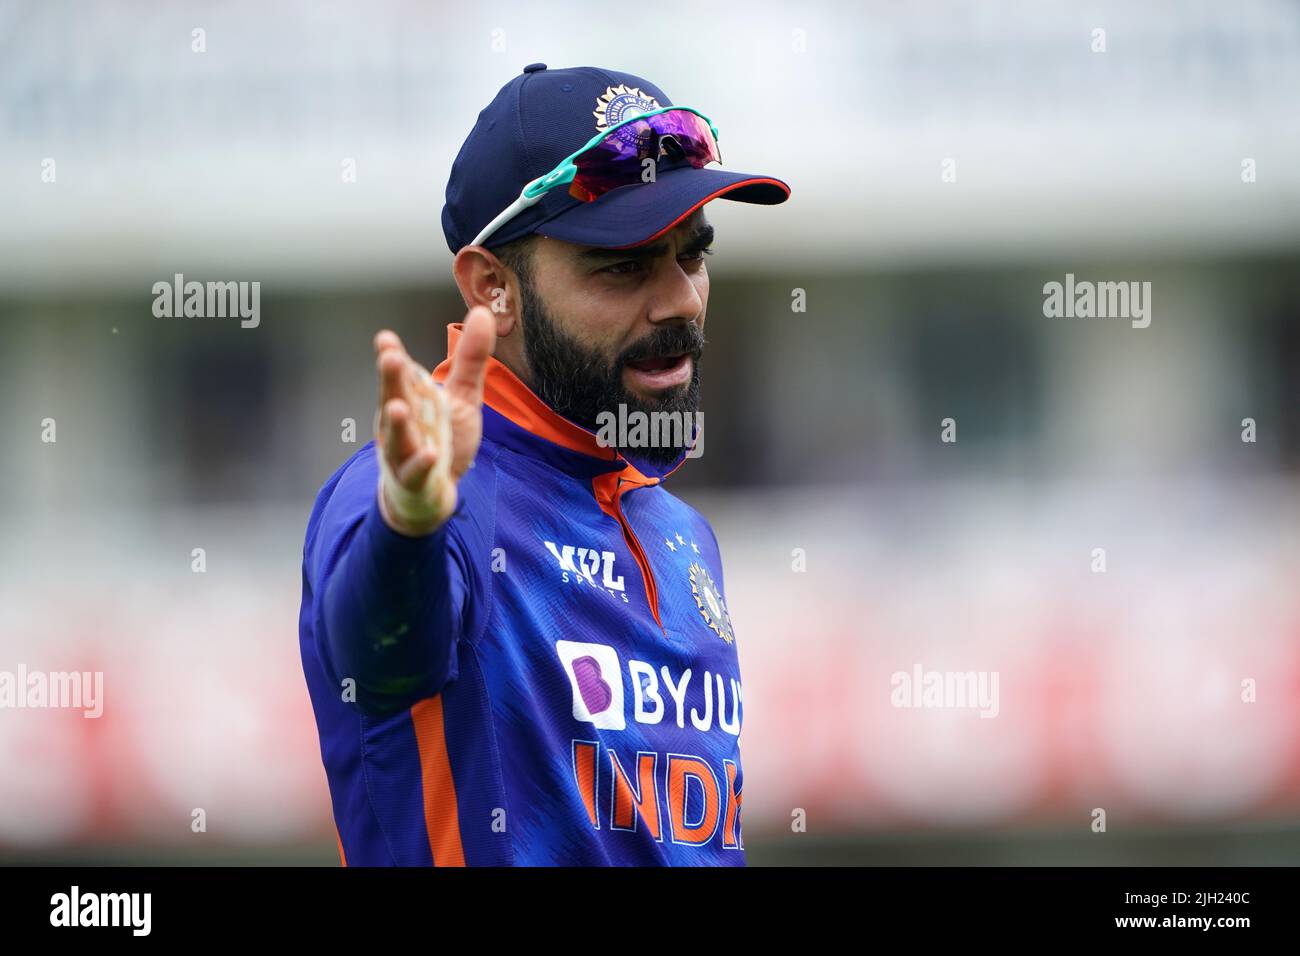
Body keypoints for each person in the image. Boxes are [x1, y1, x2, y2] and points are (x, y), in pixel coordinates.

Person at [298, 63, 790, 865]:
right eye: (624, 265)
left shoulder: (680, 531)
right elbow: (377, 659)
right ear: (494, 287)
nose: (681, 301)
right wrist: (409, 527)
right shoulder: (418, 496)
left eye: (692, 256)